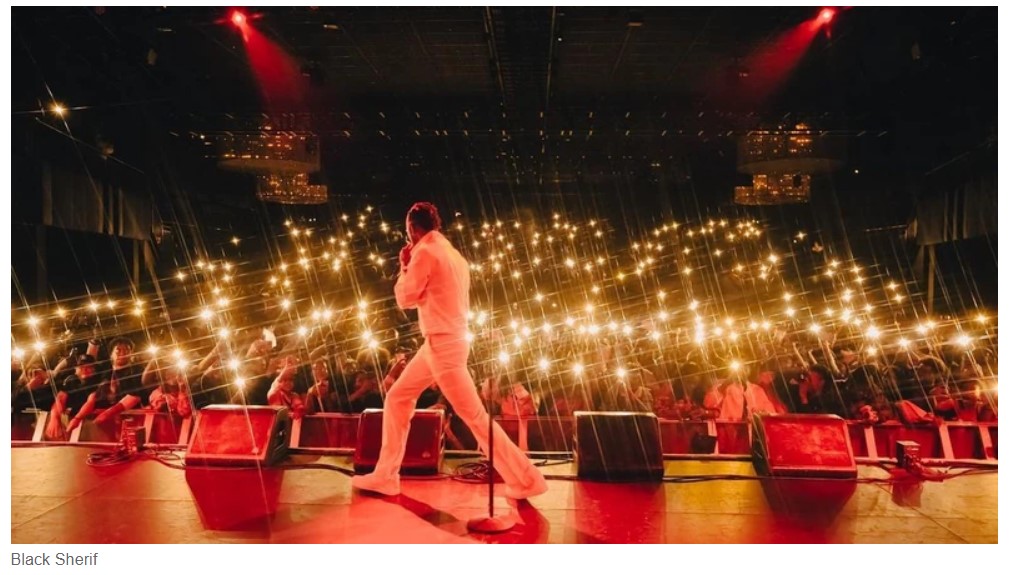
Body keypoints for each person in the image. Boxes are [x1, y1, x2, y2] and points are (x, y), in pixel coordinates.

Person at [352, 201, 548, 499]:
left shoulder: (425, 253)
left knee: (475, 417)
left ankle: (527, 479)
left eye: (407, 231)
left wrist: (404, 265)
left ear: (412, 229)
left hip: (442, 344)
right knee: (398, 397)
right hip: (443, 342)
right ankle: (386, 475)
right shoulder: (454, 255)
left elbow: (405, 298)